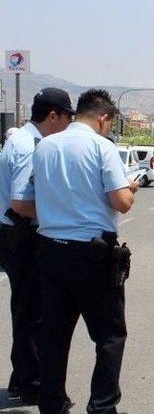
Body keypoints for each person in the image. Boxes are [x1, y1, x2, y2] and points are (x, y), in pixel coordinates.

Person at [32, 89, 138, 414]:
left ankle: (51, 404)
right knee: (109, 335)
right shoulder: (101, 147)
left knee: (54, 334)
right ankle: (102, 407)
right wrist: (130, 189)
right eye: (110, 124)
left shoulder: (45, 146)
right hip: (91, 255)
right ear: (103, 118)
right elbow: (120, 202)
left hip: (49, 252)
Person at [0, 88, 74, 404]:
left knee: (30, 308)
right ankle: (29, 381)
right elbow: (20, 203)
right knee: (33, 310)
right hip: (22, 235)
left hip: (18, 235)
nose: (69, 125)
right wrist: (59, 213)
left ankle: (25, 378)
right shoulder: (28, 146)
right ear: (52, 115)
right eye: (67, 117)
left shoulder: (29, 141)